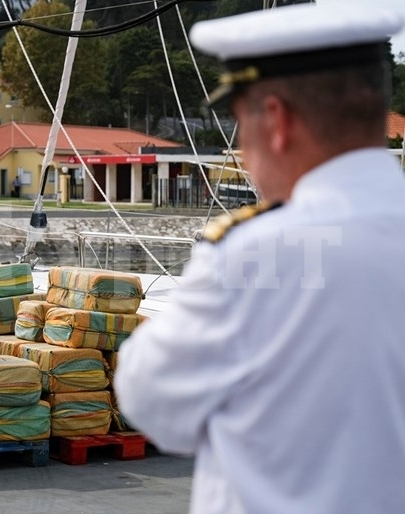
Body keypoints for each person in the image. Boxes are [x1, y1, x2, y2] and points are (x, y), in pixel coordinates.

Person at [114, 4, 405, 514]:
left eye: (239, 125)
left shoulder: (259, 254)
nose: (243, 151)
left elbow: (152, 404)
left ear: (276, 120)